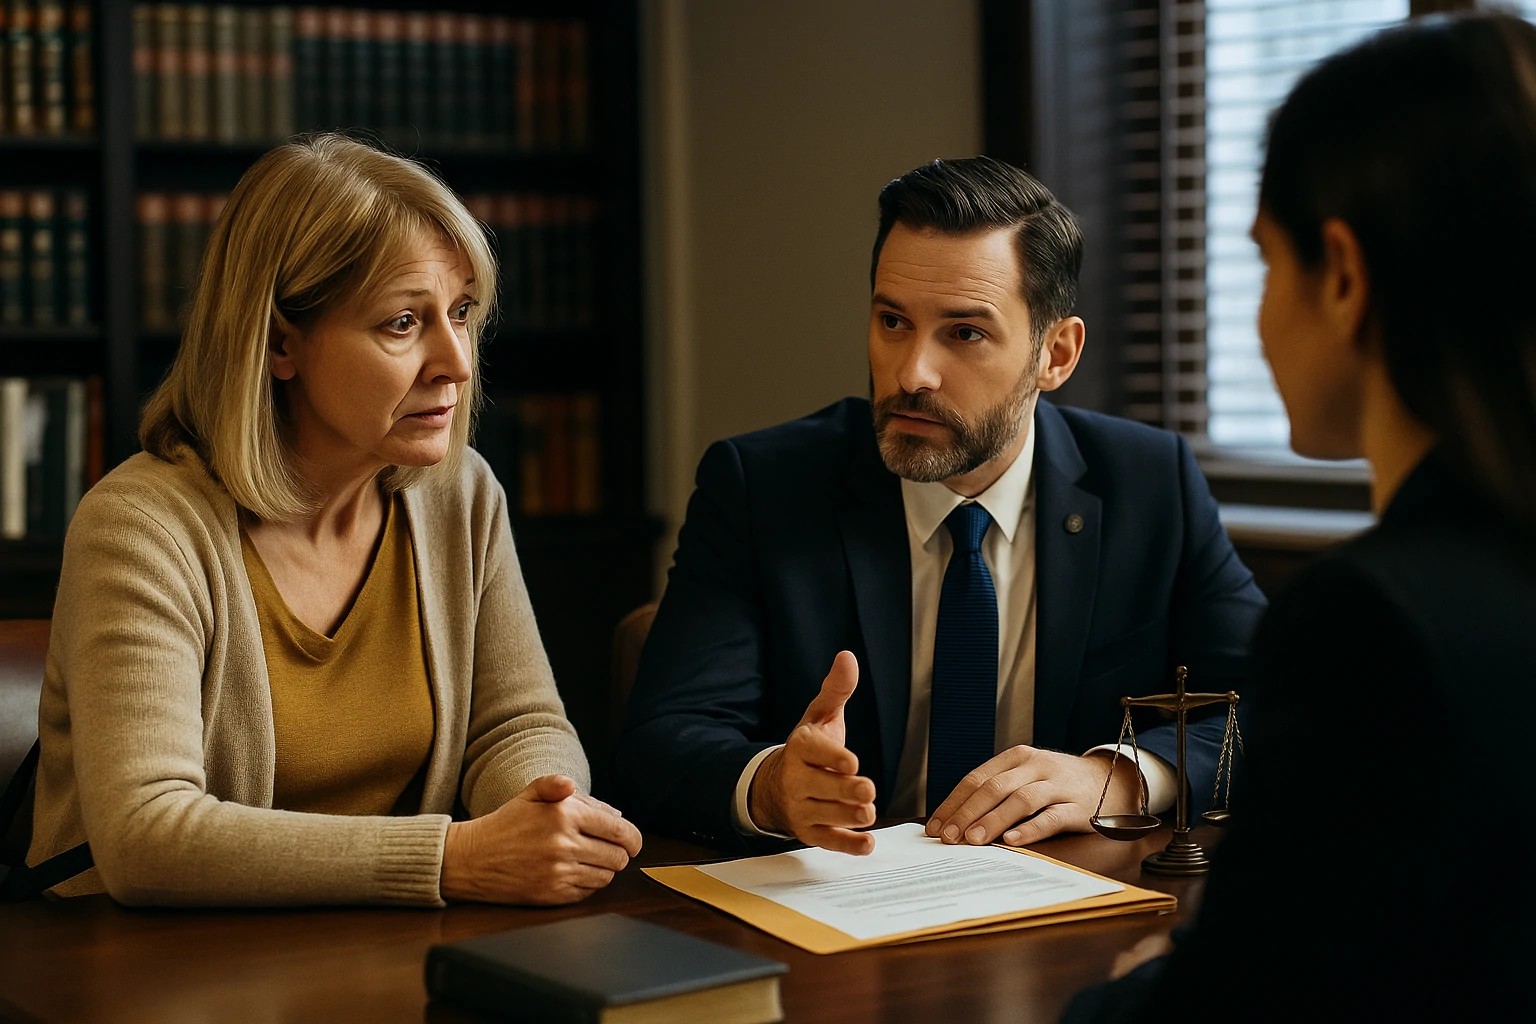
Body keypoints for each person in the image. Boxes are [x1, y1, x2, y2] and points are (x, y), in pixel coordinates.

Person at [22, 134, 641, 907]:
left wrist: (543, 805)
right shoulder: (141, 528)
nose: (457, 361)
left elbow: (515, 725)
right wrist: (454, 857)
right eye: (403, 323)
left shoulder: (459, 495)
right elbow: (148, 836)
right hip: (140, 969)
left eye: (461, 313)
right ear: (282, 343)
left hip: (375, 949)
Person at [1063, 13, 1536, 1020]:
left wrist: (1140, 984)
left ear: (1346, 275)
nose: (1262, 315)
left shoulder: (1369, 624)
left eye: (1268, 262)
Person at [615, 157, 1267, 856]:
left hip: (1056, 904)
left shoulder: (1148, 484)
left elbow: (1278, 704)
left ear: (1056, 354)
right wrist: (772, 785)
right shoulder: (762, 486)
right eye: (892, 320)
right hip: (834, 910)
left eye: (964, 333)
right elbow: (662, 742)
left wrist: (1118, 776)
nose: (910, 373)